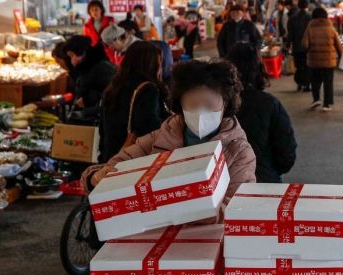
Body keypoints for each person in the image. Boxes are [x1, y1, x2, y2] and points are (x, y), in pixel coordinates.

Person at [82, 60, 257, 206]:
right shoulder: (158, 138)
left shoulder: (239, 151)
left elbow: (237, 206)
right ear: (180, 105)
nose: (201, 112)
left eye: (209, 105)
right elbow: (117, 165)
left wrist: (180, 206)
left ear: (225, 104)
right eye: (193, 105)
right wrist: (95, 177)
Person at [226, 43, 297, 183]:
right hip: (265, 180)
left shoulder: (219, 103)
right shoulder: (270, 104)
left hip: (226, 183)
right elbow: (286, 153)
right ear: (258, 67)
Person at [99, 41, 169, 163]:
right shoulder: (148, 90)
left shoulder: (114, 88)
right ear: (152, 65)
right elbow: (150, 129)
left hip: (112, 158)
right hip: (133, 161)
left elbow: (103, 130)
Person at [63, 35, 116, 122]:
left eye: (72, 55)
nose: (71, 60)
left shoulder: (102, 68)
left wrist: (88, 100)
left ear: (82, 52)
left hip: (99, 120)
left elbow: (111, 96)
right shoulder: (85, 67)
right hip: (90, 116)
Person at [302, 7, 342, 112]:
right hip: (329, 61)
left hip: (314, 61)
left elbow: (304, 45)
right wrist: (341, 56)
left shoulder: (310, 28)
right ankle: (327, 104)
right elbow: (338, 45)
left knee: (315, 81)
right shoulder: (330, 28)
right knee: (328, 82)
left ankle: (316, 99)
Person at [286, 0, 312, 92]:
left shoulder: (292, 18)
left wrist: (288, 44)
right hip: (308, 47)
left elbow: (290, 33)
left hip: (297, 47)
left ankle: (300, 84)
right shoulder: (310, 17)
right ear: (307, 6)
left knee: (299, 66)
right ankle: (307, 85)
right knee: (307, 66)